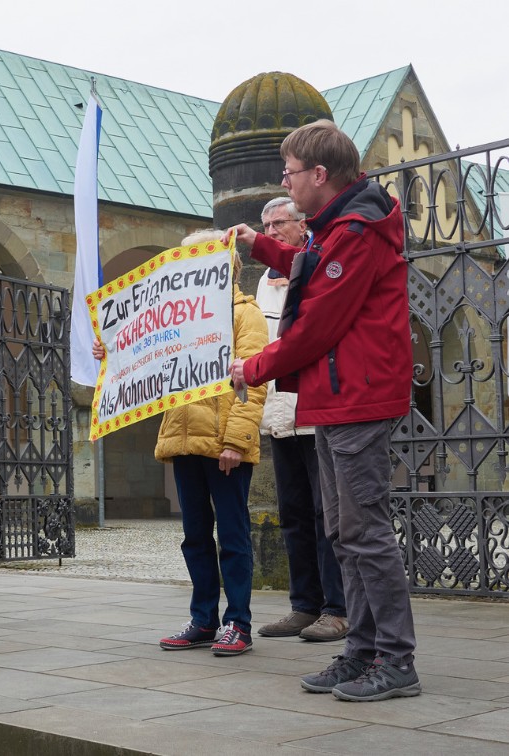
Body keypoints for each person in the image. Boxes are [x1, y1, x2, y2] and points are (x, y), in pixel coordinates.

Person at [226, 119, 418, 702]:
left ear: (318, 175)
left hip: (359, 396)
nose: (282, 180)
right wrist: (260, 246)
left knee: (365, 533)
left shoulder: (357, 230)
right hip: (337, 399)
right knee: (343, 531)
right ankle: (361, 651)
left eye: (288, 171)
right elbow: (310, 271)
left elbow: (318, 325)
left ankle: (396, 661)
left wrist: (251, 368)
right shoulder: (334, 228)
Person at [94, 230, 268, 657]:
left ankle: (238, 623)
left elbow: (256, 382)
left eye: (198, 254)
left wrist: (236, 441)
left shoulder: (245, 315)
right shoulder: (178, 314)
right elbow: (145, 356)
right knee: (194, 536)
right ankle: (204, 618)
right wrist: (112, 352)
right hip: (184, 439)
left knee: (232, 535)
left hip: (225, 444)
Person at [254, 197, 347, 643]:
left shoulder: (314, 265)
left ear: (302, 224)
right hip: (278, 416)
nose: (271, 230)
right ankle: (303, 605)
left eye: (279, 223)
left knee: (325, 512)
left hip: (313, 412)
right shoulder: (261, 282)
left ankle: (337, 608)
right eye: (266, 224)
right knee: (292, 513)